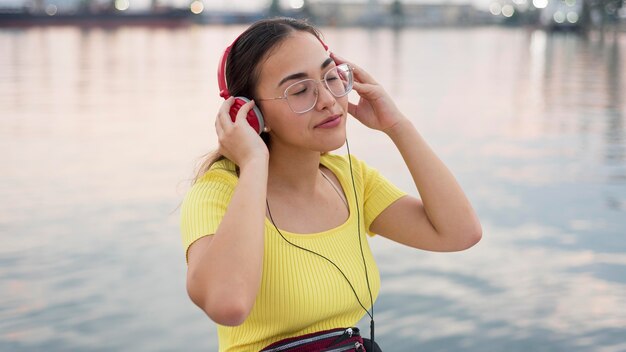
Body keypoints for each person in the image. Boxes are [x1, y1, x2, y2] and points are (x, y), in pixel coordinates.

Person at [180, 17, 482, 352]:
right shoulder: (217, 193)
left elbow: (459, 233)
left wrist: (396, 125)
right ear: (251, 114)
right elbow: (228, 305)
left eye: (330, 77)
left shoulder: (348, 177)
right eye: (299, 90)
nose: (327, 99)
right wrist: (252, 164)